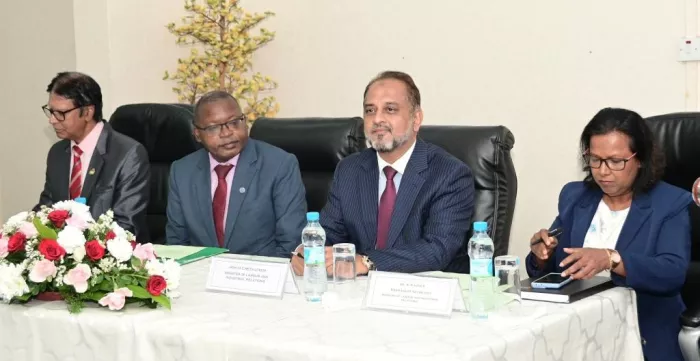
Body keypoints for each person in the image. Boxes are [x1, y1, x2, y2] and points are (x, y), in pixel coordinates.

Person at [526, 108, 691, 361]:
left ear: (641, 159)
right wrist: (541, 254)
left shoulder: (670, 203)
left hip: (640, 334)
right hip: (575, 331)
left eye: (616, 161)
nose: (603, 171)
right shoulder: (575, 197)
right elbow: (556, 266)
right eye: (595, 159)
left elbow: (672, 272)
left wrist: (611, 258)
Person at [291, 71, 475, 276]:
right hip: (357, 291)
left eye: (390, 109)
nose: (377, 119)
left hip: (420, 291)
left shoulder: (449, 174)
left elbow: (438, 249)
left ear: (416, 118)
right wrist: (305, 251)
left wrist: (368, 262)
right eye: (370, 110)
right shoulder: (349, 169)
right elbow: (329, 232)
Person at [165, 91, 307, 257]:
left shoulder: (280, 165)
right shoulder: (181, 171)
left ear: (244, 122)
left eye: (233, 122)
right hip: (201, 275)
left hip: (260, 274)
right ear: (197, 134)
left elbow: (291, 243)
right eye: (213, 127)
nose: (226, 133)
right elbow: (177, 244)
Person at [35, 72, 151, 241]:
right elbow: (46, 210)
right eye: (50, 111)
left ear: (88, 112)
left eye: (60, 113)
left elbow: (127, 226)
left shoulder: (128, 154)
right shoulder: (57, 153)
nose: (52, 120)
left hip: (112, 257)